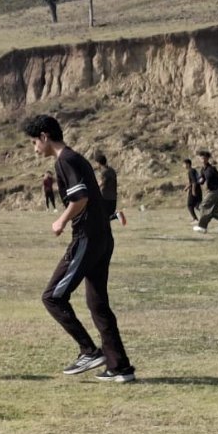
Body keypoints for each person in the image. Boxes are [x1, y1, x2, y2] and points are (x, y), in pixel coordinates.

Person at [24, 114, 136, 384]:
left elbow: (81, 198)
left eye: (33, 143)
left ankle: (89, 351)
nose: (34, 149)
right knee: (97, 303)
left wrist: (61, 220)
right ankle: (120, 367)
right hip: (102, 238)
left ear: (44, 137)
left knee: (52, 297)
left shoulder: (65, 160)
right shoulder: (75, 158)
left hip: (87, 237)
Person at [193, 151, 218, 234]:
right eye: (201, 158)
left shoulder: (211, 169)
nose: (203, 160)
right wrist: (200, 181)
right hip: (212, 191)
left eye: (204, 158)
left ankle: (202, 227)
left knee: (203, 206)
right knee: (214, 211)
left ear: (207, 159)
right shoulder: (203, 169)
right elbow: (202, 180)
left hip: (216, 191)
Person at [94, 153, 126, 227]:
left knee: (100, 217)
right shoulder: (112, 170)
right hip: (113, 197)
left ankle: (116, 215)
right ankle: (115, 215)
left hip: (105, 197)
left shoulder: (104, 172)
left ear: (98, 163)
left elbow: (102, 183)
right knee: (106, 217)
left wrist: (94, 187)